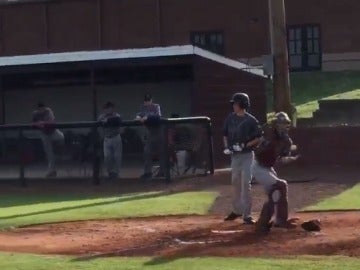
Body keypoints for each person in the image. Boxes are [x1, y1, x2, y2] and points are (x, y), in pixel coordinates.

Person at [253, 112, 300, 233]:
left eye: (285, 124)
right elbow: (260, 152)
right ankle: (264, 223)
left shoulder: (286, 141)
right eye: (280, 124)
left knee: (279, 189)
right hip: (258, 166)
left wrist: (292, 158)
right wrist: (272, 144)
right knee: (279, 186)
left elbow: (282, 159)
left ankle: (280, 220)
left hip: (267, 167)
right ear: (275, 125)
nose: (283, 127)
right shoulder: (269, 135)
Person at [223, 93, 262, 224]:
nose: (233, 106)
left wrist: (245, 145)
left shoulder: (251, 120)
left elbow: (258, 138)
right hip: (235, 156)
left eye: (235, 103)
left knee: (246, 183)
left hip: (247, 155)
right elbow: (225, 134)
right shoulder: (230, 118)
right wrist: (227, 147)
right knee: (235, 182)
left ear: (242, 104)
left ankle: (247, 215)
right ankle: (237, 210)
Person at [135, 93, 165, 180]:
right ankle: (147, 172)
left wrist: (147, 117)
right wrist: (138, 117)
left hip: (159, 131)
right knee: (147, 152)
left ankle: (162, 172)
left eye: (148, 100)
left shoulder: (156, 106)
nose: (147, 102)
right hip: (150, 132)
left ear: (151, 100)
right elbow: (139, 115)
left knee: (161, 152)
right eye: (146, 101)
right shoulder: (143, 107)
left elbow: (158, 116)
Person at [32, 102, 64, 178]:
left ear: (44, 108)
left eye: (43, 108)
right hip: (44, 134)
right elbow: (32, 124)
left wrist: (42, 122)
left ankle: (59, 148)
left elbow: (52, 122)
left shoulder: (48, 111)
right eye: (40, 109)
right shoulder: (35, 113)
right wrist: (37, 124)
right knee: (49, 154)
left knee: (61, 137)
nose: (41, 110)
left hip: (53, 132)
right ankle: (51, 171)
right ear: (38, 109)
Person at [98, 102, 123, 180]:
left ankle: (117, 173)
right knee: (107, 157)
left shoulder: (117, 115)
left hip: (116, 137)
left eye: (109, 108)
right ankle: (110, 173)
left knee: (117, 157)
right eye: (106, 108)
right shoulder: (102, 116)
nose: (108, 110)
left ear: (112, 108)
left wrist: (108, 120)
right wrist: (105, 120)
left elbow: (118, 120)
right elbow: (99, 121)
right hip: (107, 139)